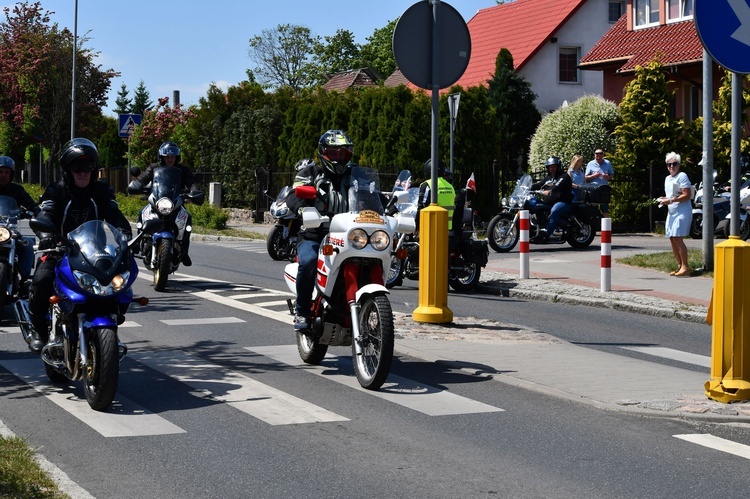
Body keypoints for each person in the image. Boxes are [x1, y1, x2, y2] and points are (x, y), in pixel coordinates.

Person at [27, 138, 132, 353]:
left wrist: (126, 237)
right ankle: (37, 329)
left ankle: (109, 318)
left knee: (119, 283)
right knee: (41, 280)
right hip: (59, 250)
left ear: (94, 170)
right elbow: (46, 213)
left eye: (87, 167)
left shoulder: (101, 190)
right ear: (67, 170)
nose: (82, 172)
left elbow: (115, 215)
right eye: (76, 167)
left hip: (93, 253)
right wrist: (46, 234)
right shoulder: (56, 191)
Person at [286, 129, 355, 332]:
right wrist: (302, 208)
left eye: (343, 153)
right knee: (307, 262)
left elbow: (370, 192)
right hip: (315, 234)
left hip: (348, 236)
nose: (338, 157)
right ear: (324, 152)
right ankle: (302, 311)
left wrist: (388, 205)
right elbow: (293, 195)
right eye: (334, 153)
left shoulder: (355, 174)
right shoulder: (310, 172)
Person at [131, 141, 199, 266]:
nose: (170, 159)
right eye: (167, 156)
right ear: (162, 157)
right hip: (157, 202)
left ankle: (184, 252)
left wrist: (194, 192)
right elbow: (143, 178)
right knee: (142, 213)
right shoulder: (153, 168)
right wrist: (137, 185)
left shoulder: (183, 170)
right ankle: (138, 244)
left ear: (176, 157)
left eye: (173, 156)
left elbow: (192, 183)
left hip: (175, 203)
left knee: (187, 218)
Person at [0, 156, 40, 280]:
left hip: (9, 229)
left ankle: (24, 279)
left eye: (7, 172)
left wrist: (39, 212)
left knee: (28, 245)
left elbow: (31, 204)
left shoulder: (17, 190)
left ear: (11, 174)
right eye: (0, 172)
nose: (3, 175)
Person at [658, 152, 692, 277]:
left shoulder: (682, 176)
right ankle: (679, 266)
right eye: (669, 164)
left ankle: (685, 266)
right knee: (672, 238)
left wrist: (671, 200)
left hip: (682, 211)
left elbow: (687, 194)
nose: (671, 167)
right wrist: (664, 199)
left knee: (678, 238)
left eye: (674, 164)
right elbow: (671, 195)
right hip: (672, 212)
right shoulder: (667, 179)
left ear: (679, 164)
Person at [532, 156, 574, 241]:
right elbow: (539, 184)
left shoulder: (564, 176)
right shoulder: (548, 178)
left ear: (558, 166)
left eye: (554, 166)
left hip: (563, 202)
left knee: (555, 210)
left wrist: (550, 191)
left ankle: (546, 234)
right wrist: (527, 187)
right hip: (550, 202)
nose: (552, 168)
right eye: (550, 167)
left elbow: (557, 185)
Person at [585, 148, 614, 217]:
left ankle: (605, 226)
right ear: (594, 155)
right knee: (593, 208)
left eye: (600, 155)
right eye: (597, 155)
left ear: (603, 155)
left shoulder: (607, 163)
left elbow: (611, 175)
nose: (598, 157)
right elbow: (586, 178)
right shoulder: (590, 164)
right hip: (593, 189)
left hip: (604, 189)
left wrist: (607, 177)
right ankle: (594, 224)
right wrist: (594, 175)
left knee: (605, 209)